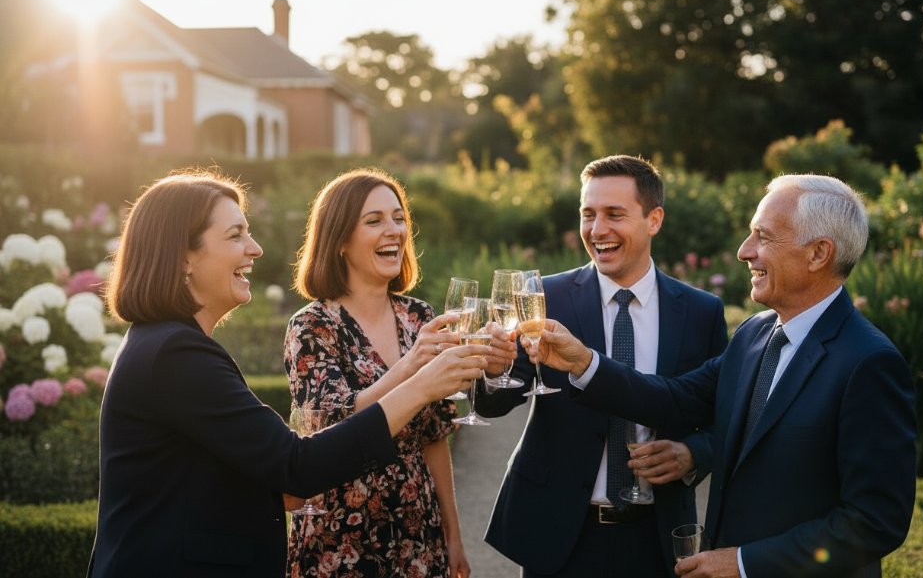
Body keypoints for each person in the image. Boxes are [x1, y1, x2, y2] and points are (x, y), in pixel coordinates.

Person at [88, 171, 487, 578]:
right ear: (183, 257)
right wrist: (419, 385)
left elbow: (255, 472)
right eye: (235, 235)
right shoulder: (176, 354)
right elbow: (297, 465)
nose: (256, 248)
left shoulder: (168, 345)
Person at [525, 174, 917, 578]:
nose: (744, 251)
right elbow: (673, 400)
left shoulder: (869, 363)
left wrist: (744, 563)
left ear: (818, 253)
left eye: (762, 237)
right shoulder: (755, 334)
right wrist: (584, 362)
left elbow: (876, 521)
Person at [474, 155, 728, 577]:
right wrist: (493, 369)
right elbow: (495, 402)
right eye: (588, 215)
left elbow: (724, 415)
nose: (597, 230)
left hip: (658, 537)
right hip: (559, 535)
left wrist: (692, 453)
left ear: (654, 219)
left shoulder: (701, 312)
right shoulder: (544, 297)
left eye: (614, 214)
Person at [285, 168, 470, 577]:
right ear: (340, 242)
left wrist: (453, 534)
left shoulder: (419, 316)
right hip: (340, 537)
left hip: (419, 533)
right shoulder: (313, 326)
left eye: (399, 217)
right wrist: (413, 368)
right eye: (374, 221)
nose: (395, 231)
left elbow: (434, 436)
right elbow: (333, 424)